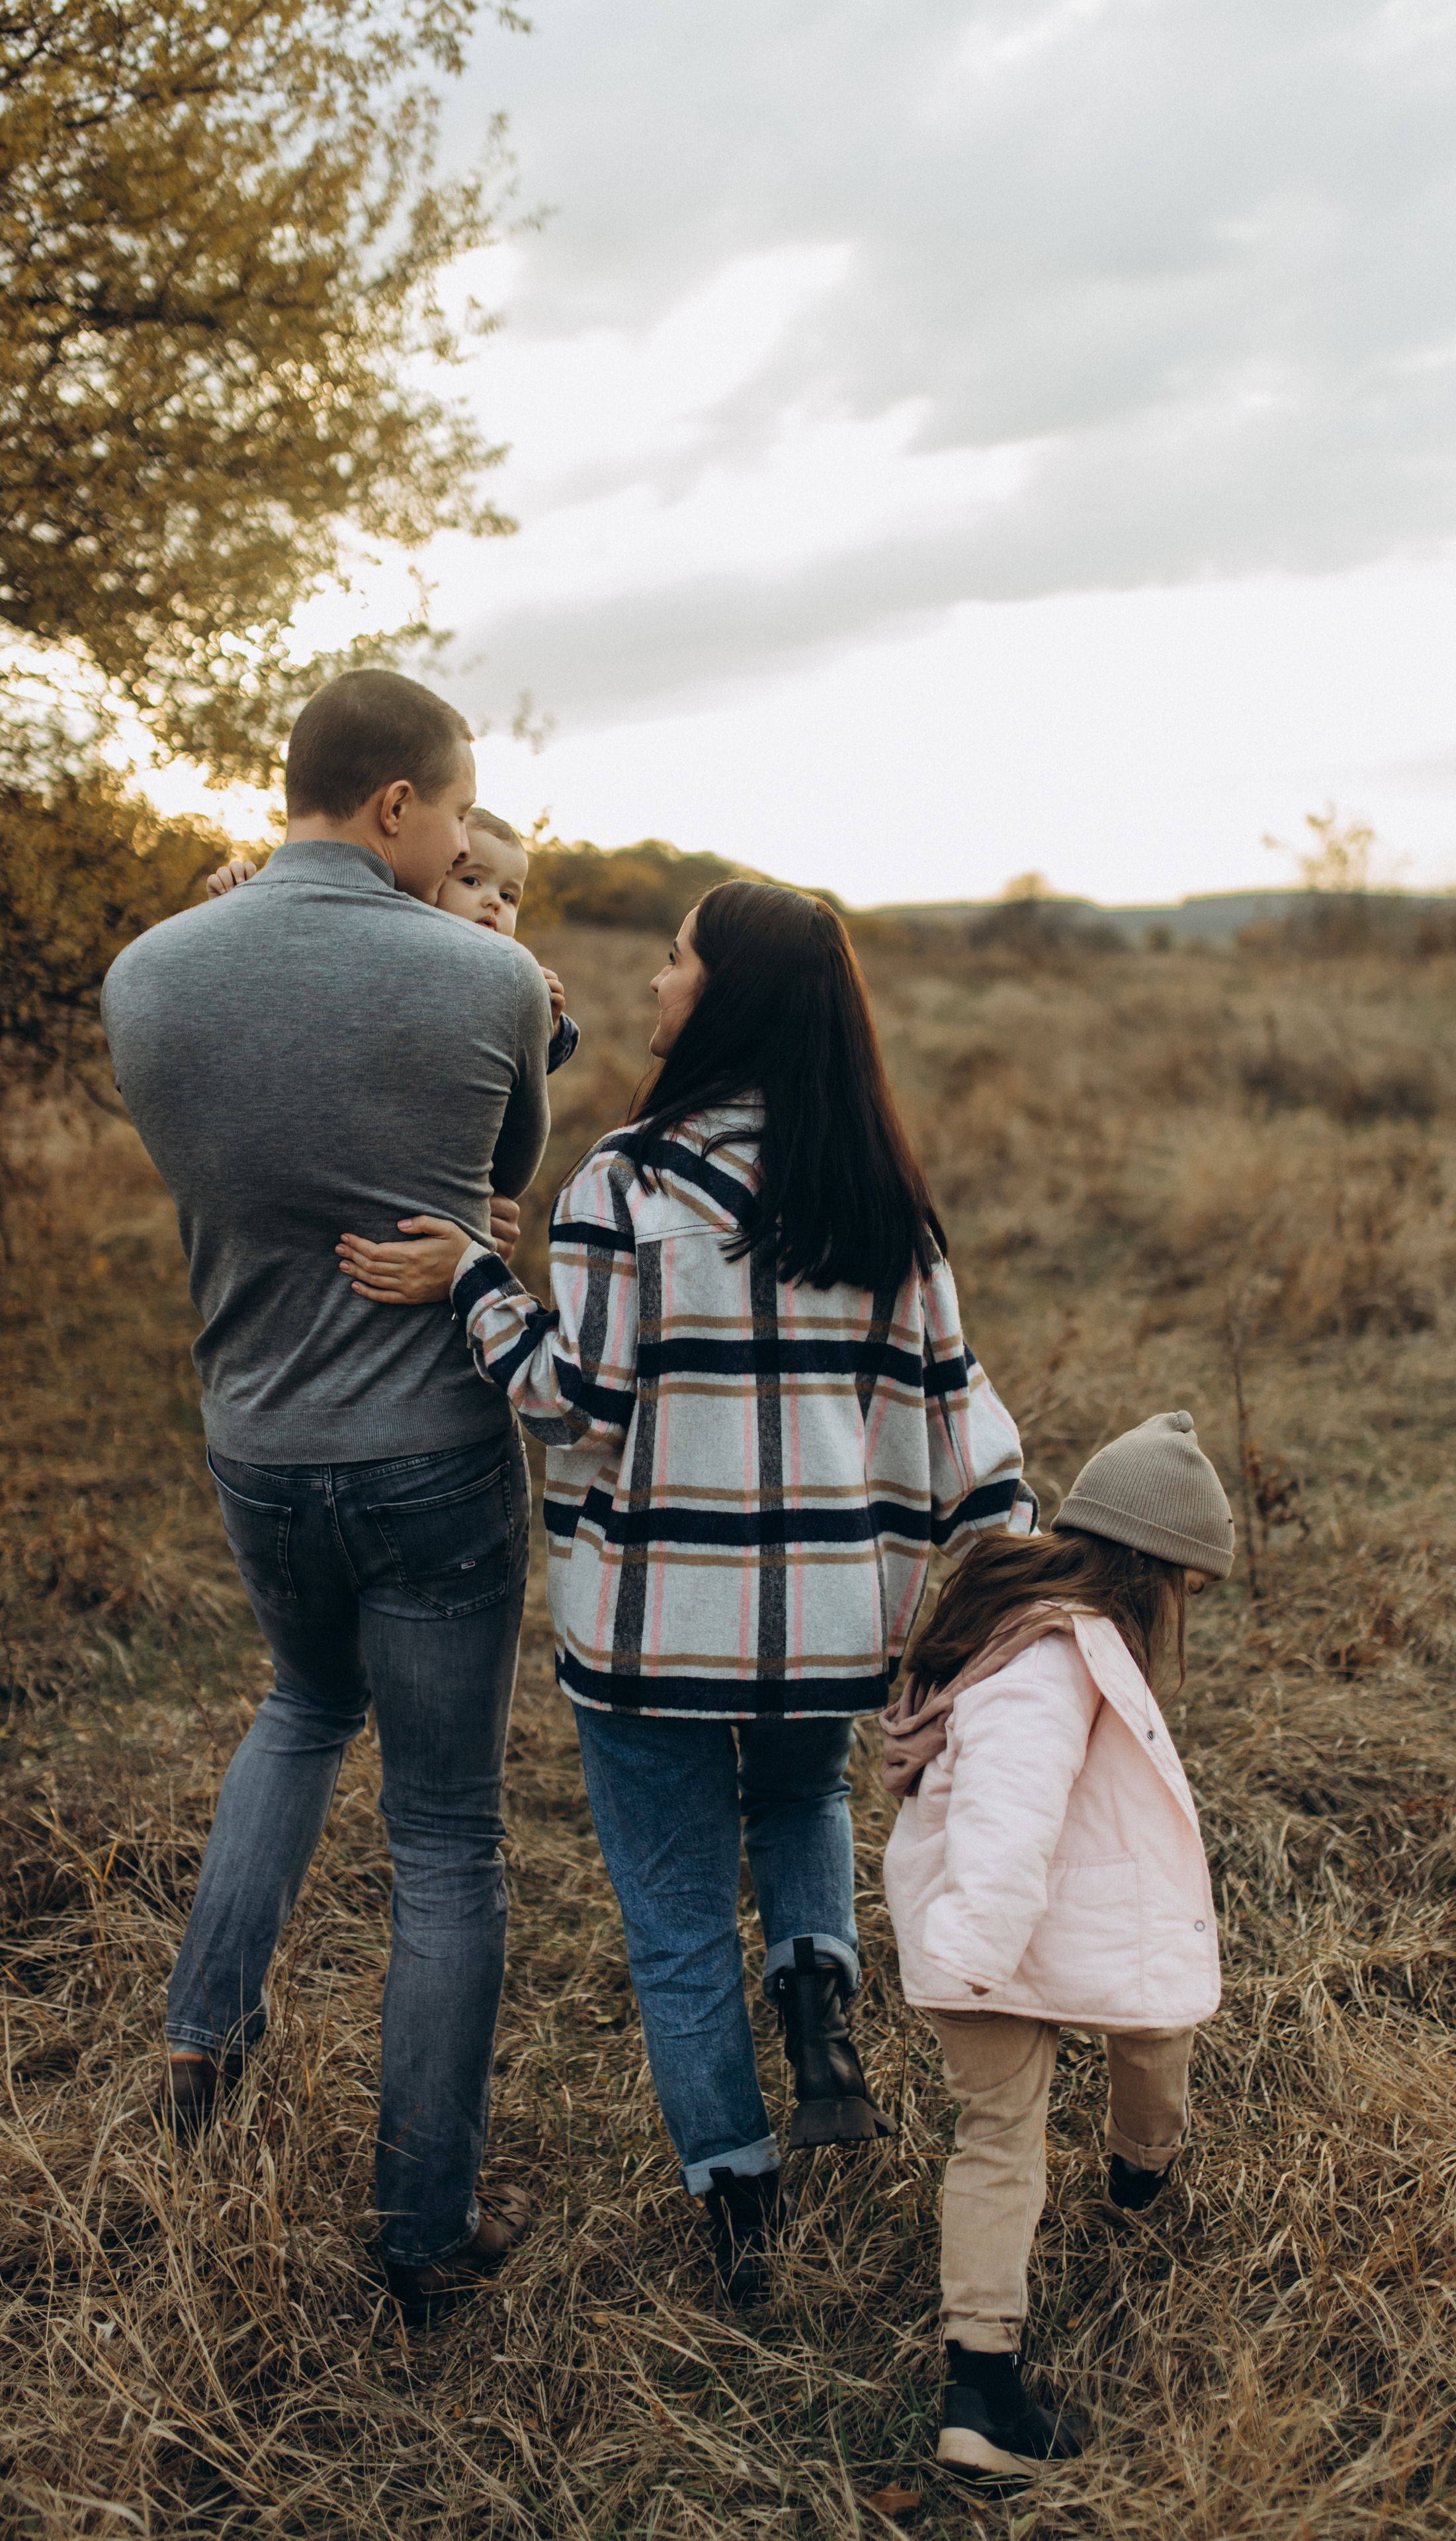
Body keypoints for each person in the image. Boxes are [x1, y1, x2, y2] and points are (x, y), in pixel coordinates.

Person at [334, 879, 1035, 2303]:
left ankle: (739, 2214)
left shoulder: (624, 1184)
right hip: (830, 1626)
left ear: (722, 999)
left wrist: (478, 1281)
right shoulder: (878, 1192)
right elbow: (946, 1409)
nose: (655, 985)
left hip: (654, 1631)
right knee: (798, 1796)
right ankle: (816, 1986)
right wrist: (1000, 1567)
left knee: (669, 1928)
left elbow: (570, 1408)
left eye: (674, 963)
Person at [101, 668, 553, 2325]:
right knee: (446, 1834)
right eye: (451, 815)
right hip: (429, 1446)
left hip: (256, 1447)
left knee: (299, 1708)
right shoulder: (489, 976)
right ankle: (422, 2224)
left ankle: (199, 2028)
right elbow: (509, 1185)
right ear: (395, 807)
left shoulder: (143, 976)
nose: (455, 846)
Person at [879, 1412, 1232, 2487]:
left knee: (1149, 2018)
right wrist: (980, 1950)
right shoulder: (1049, 1659)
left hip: (1026, 1916)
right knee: (1004, 2134)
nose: (1187, 1614)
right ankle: (980, 2394)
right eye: (1189, 1590)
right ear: (1151, 1571)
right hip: (990, 1930)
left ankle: (1141, 2159)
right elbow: (1009, 1812)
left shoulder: (1052, 1629)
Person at [208, 804, 580, 1074]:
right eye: (471, 880)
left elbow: (523, 1070)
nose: (493, 902)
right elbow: (295, 970)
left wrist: (544, 1026)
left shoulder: (508, 973)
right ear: (434, 879)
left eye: (509, 896)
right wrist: (242, 908)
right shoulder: (385, 940)